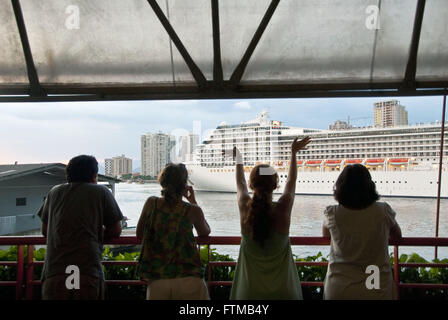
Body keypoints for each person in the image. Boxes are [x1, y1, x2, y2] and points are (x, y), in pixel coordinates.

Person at [229, 136, 311, 299]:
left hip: (249, 293)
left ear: (252, 184)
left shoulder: (244, 206)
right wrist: (293, 153)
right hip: (285, 292)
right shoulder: (283, 209)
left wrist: (238, 159)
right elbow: (291, 181)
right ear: (275, 185)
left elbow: (240, 183)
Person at [38, 155, 123, 300]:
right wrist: (97, 232)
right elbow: (116, 230)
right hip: (86, 271)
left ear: (68, 175)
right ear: (94, 175)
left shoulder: (54, 192)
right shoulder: (101, 192)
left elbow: (45, 231)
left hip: (55, 272)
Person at [322, 163, 402, 300]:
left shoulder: (332, 213)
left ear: (340, 187)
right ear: (369, 186)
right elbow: (397, 236)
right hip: (376, 287)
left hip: (340, 288)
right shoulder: (383, 211)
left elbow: (326, 235)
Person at [136, 163, 211, 300]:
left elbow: (139, 233)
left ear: (162, 182)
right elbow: (205, 232)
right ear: (184, 185)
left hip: (158, 277)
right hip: (189, 277)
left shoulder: (151, 203)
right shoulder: (192, 210)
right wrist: (193, 201)